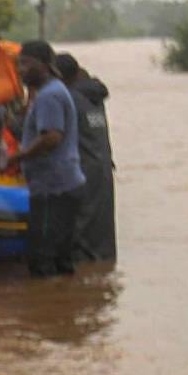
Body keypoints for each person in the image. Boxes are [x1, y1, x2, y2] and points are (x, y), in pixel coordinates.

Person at [11, 40, 87, 277]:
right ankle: (64, 308)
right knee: (61, 258)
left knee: (41, 259)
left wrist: (16, 157)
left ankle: (49, 309)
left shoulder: (49, 96)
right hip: (64, 185)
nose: (21, 70)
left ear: (43, 65)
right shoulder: (54, 90)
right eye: (18, 64)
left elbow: (52, 138)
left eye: (26, 64)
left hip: (52, 189)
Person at [54, 53, 117, 263]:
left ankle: (84, 281)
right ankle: (101, 276)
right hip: (103, 170)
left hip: (83, 171)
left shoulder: (69, 99)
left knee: (80, 230)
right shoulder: (94, 98)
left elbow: (49, 134)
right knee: (101, 230)